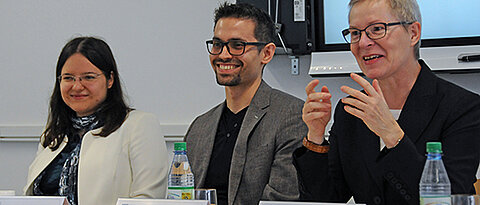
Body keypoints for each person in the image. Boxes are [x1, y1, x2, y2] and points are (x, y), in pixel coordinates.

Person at [293, 0, 480, 204]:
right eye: (355, 33)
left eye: (377, 29)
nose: (363, 43)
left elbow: (451, 197)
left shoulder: (463, 108)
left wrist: (392, 135)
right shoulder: (352, 109)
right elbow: (328, 198)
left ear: (413, 33)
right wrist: (316, 137)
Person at [184, 3, 307, 205]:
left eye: (237, 45)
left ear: (266, 53)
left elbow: (281, 199)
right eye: (217, 44)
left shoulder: (291, 116)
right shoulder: (199, 128)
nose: (223, 54)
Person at [23, 37, 169, 205]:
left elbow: (148, 201)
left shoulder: (139, 125)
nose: (77, 86)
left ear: (110, 79)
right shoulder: (53, 134)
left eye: (89, 77)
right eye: (68, 78)